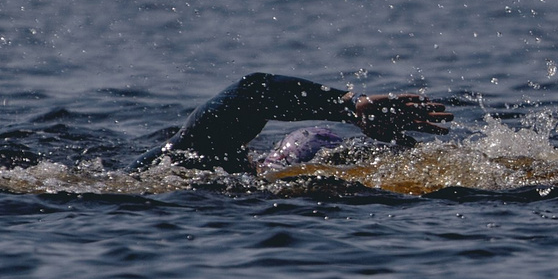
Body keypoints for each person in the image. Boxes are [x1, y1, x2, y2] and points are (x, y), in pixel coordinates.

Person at [154, 73, 451, 172]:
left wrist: (349, 107)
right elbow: (254, 89)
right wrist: (349, 106)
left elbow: (255, 92)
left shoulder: (201, 157)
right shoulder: (205, 154)